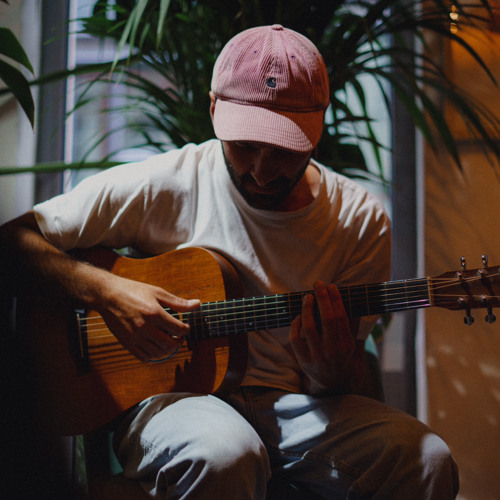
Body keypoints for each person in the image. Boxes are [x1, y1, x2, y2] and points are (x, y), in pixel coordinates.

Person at [0, 25, 458, 499]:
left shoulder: (358, 220)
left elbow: (347, 378)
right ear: (214, 108)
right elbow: (13, 241)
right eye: (245, 146)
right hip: (176, 403)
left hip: (296, 410)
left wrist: (331, 370)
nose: (261, 171)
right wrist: (108, 292)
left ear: (318, 126)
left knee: (426, 460)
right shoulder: (166, 183)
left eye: (283, 149)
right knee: (225, 453)